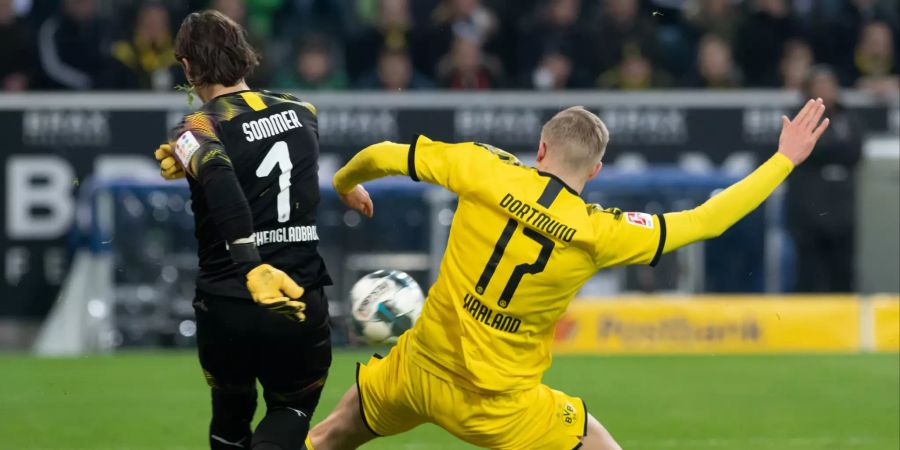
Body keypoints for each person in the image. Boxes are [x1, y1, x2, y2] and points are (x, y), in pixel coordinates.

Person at [308, 99, 830, 449]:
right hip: (503, 407)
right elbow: (706, 221)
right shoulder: (598, 231)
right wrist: (783, 160)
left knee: (327, 436)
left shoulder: (483, 169)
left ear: (540, 149)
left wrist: (345, 183)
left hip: (417, 372)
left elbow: (380, 154)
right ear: (596, 171)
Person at [153, 10, 332, 450]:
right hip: (298, 296)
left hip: (228, 301)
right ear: (244, 55)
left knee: (230, 411)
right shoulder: (302, 110)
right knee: (291, 409)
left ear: (188, 67)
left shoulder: (195, 127)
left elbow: (220, 176)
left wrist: (250, 264)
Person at [787, 67, 862, 293]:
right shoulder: (798, 118)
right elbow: (805, 152)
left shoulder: (849, 118)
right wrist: (834, 150)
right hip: (809, 213)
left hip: (842, 211)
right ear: (808, 90)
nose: (825, 90)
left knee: (842, 273)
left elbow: (855, 152)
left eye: (829, 85)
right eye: (819, 85)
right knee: (810, 275)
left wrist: (825, 150)